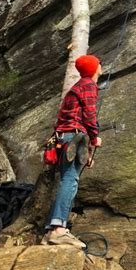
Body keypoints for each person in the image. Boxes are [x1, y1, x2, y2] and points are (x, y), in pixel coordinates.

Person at [41, 54, 102, 248]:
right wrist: (94, 137)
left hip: (66, 138)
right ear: (94, 69)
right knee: (70, 180)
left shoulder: (75, 88)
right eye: (98, 64)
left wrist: (88, 151)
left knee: (69, 179)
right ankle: (58, 230)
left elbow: (63, 119)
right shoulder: (88, 85)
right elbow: (90, 116)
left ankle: (51, 230)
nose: (101, 66)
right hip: (74, 138)